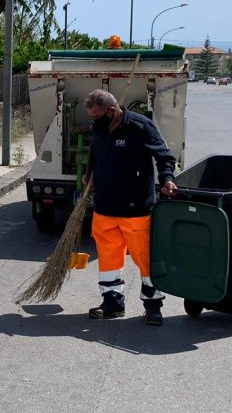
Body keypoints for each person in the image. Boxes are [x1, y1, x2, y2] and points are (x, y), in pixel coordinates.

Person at [84, 89, 178, 325]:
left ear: (112, 111)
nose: (95, 121)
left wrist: (167, 178)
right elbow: (95, 154)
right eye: (92, 118)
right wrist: (89, 176)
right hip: (105, 207)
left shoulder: (140, 126)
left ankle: (153, 306)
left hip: (136, 209)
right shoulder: (99, 127)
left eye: (97, 116)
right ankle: (113, 304)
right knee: (108, 261)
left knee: (146, 260)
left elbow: (164, 156)